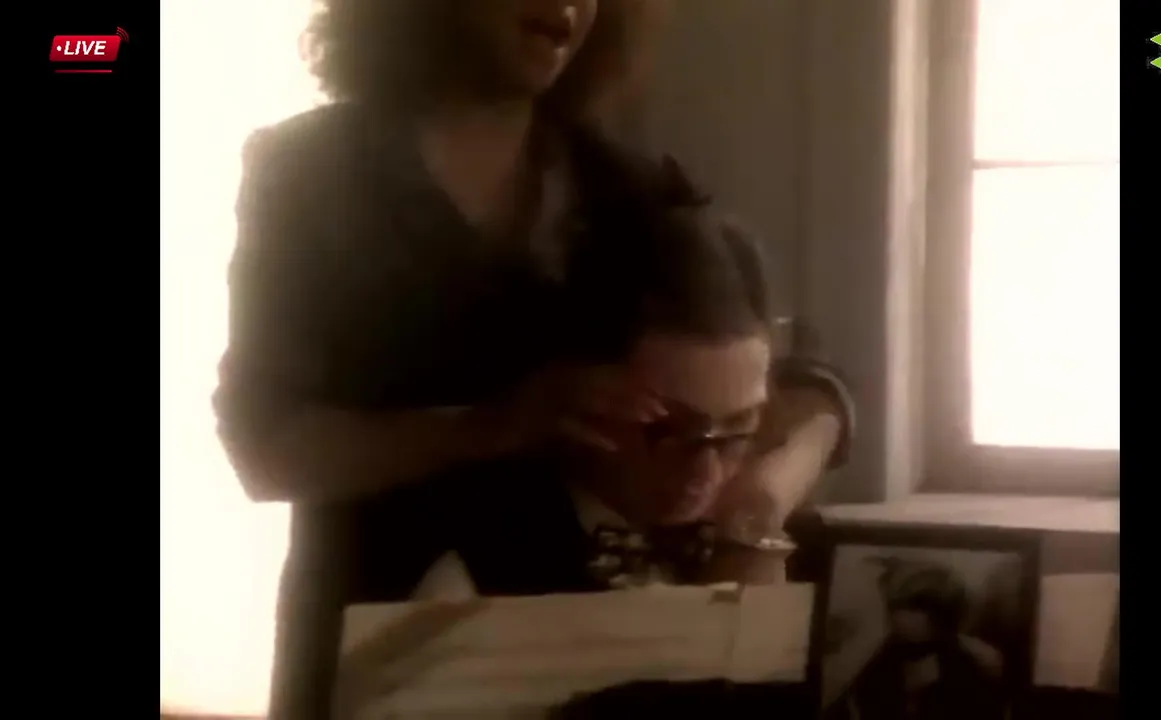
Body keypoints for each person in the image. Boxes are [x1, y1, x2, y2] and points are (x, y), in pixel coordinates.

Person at [213, 1, 854, 717]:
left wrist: (761, 496)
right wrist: (493, 425)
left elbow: (813, 386)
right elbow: (263, 453)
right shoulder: (307, 173)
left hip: (573, 646)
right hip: (378, 637)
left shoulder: (625, 185)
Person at [412, 179, 805, 599]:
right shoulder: (473, 569)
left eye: (738, 428)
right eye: (668, 429)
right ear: (581, 395)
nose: (706, 474)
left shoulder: (760, 533)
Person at [827, 559, 1005, 720]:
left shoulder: (969, 668)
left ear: (940, 613)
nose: (899, 617)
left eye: (915, 608)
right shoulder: (878, 660)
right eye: (895, 606)